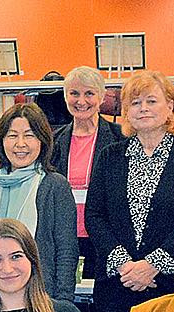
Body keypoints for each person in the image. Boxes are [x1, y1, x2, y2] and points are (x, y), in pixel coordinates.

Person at [86, 71, 174, 312]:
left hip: (169, 282)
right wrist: (124, 265)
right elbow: (94, 216)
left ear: (169, 106)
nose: (143, 108)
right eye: (135, 103)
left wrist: (153, 264)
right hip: (116, 283)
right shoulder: (109, 156)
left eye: (151, 101)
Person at [0, 103, 79, 301]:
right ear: (1, 141)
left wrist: (63, 304)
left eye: (29, 135)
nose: (20, 144)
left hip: (41, 300)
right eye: (12, 136)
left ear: (42, 141)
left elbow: (66, 252)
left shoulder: (54, 185)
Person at [48, 67, 122, 282]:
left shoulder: (120, 139)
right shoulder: (52, 142)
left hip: (105, 238)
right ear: (65, 97)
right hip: (64, 236)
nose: (81, 101)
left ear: (101, 97)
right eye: (74, 93)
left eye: (89, 93)